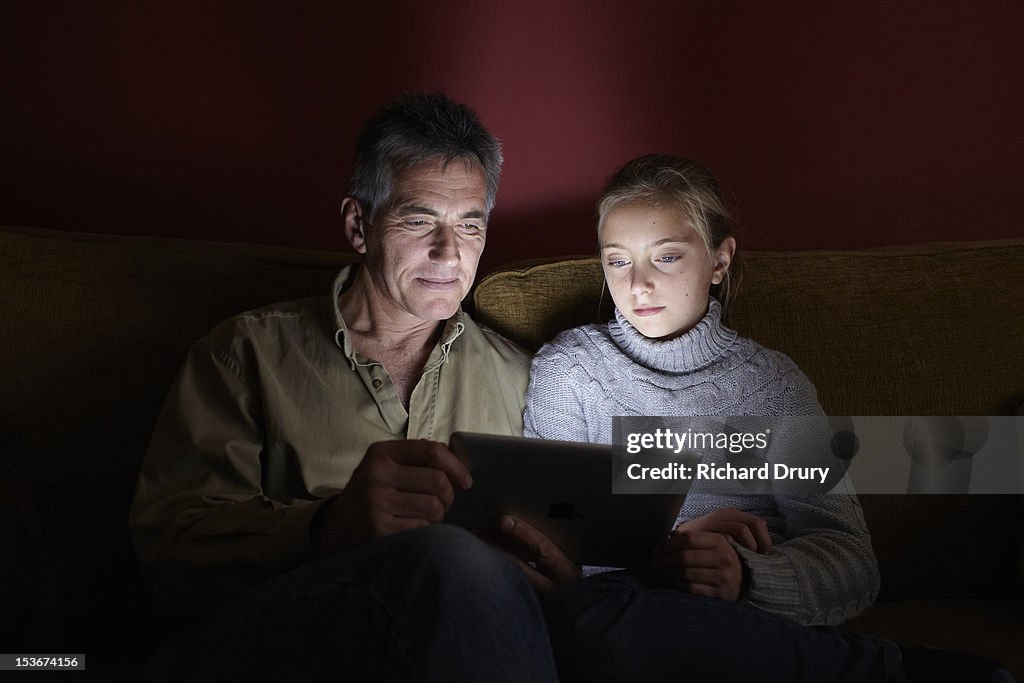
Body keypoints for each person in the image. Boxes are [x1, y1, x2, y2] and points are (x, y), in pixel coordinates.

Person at [509, 154, 1013, 682]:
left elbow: (852, 563)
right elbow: (554, 551)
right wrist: (668, 549)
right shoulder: (569, 372)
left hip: (743, 613)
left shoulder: (771, 386)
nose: (637, 285)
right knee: (584, 620)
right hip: (622, 609)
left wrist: (745, 575)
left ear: (720, 260)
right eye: (617, 261)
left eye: (666, 258)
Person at [129, 92, 557, 682]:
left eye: (469, 226)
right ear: (359, 226)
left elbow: (560, 538)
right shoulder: (244, 354)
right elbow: (168, 554)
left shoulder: (524, 378)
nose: (449, 253)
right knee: (447, 559)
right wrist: (328, 528)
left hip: (461, 640)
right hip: (273, 643)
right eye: (418, 220)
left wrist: (550, 571)